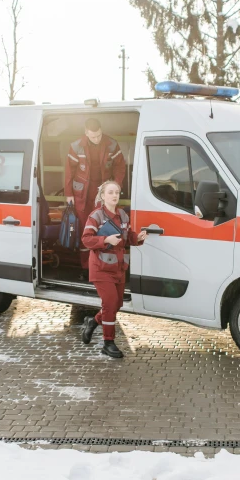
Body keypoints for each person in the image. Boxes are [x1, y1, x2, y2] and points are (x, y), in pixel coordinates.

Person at [81, 181, 147, 358]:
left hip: (118, 268)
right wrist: (106, 240)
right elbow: (86, 240)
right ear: (103, 196)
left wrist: (138, 238)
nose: (114, 195)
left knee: (116, 304)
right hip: (101, 268)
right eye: (110, 192)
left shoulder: (123, 215)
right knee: (110, 303)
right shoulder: (96, 216)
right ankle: (108, 343)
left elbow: (127, 237)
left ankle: (93, 322)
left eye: (117, 192)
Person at [64, 118, 126, 272]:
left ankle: (104, 265)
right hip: (82, 194)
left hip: (103, 192)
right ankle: (87, 267)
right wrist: (68, 193)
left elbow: (120, 166)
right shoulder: (76, 146)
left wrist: (116, 185)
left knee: (104, 226)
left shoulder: (112, 144)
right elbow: (69, 171)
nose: (97, 139)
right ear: (86, 133)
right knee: (87, 229)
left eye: (99, 135)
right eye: (93, 136)